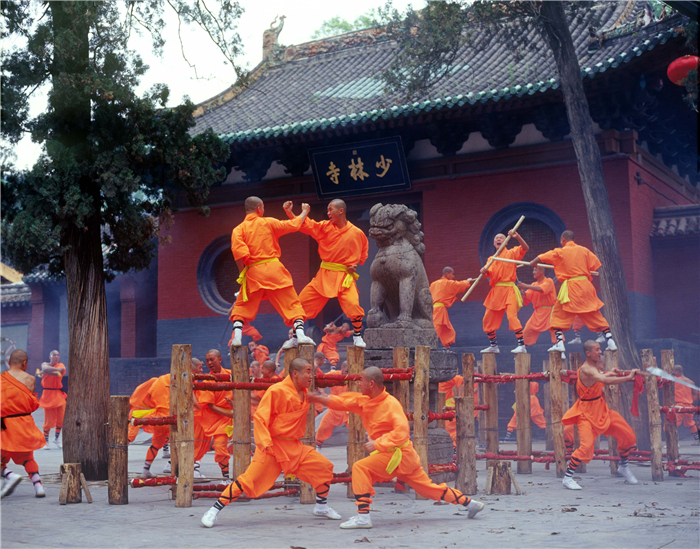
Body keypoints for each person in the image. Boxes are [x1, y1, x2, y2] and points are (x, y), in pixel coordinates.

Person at [308, 367, 485, 529]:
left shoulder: (390, 404)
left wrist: (377, 443)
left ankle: (363, 517)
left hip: (397, 454)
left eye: (361, 380)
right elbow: (343, 402)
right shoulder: (366, 400)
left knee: (360, 467)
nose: (358, 383)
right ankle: (470, 504)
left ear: (371, 383)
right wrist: (319, 398)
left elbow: (401, 432)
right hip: (399, 457)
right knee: (428, 489)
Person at [201, 358, 341, 528]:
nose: (312, 375)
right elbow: (260, 417)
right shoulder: (277, 390)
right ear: (295, 373)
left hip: (294, 447)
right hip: (272, 447)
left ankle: (321, 507)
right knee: (247, 480)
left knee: (324, 467)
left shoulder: (305, 393)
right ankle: (214, 510)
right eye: (308, 371)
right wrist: (265, 442)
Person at [229, 197, 315, 350]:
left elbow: (239, 254)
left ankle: (237, 337)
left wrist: (242, 274)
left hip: (253, 272)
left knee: (242, 305)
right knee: (292, 303)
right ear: (259, 208)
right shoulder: (268, 222)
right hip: (274, 270)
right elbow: (294, 225)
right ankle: (301, 335)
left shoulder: (238, 229)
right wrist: (304, 212)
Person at [285, 199, 369, 347]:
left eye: (331, 209)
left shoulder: (357, 233)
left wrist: (355, 265)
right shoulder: (324, 227)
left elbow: (363, 254)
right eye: (327, 210)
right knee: (301, 303)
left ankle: (357, 337)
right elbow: (305, 225)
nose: (328, 213)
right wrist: (290, 213)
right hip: (324, 275)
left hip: (344, 278)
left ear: (341, 211)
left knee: (353, 305)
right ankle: (295, 337)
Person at [561, 340, 639, 490]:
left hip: (602, 410)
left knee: (628, 434)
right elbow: (604, 380)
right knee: (586, 446)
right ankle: (567, 478)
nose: (600, 352)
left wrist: (610, 372)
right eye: (596, 350)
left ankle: (623, 467)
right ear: (588, 353)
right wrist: (628, 377)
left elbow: (599, 377)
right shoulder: (586, 368)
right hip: (586, 413)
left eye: (599, 349)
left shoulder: (593, 368)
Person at [529, 230, 617, 353]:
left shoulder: (560, 251)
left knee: (557, 316)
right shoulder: (584, 250)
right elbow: (595, 265)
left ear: (563, 239)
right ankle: (611, 341)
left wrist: (533, 262)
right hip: (586, 287)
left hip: (571, 288)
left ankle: (560, 344)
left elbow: (543, 256)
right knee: (595, 315)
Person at [1, 350, 47, 498]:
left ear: (9, 362)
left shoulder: (1, 379)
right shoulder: (31, 379)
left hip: (5, 425)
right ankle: (38, 487)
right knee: (28, 458)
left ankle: (10, 476)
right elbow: (32, 405)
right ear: (25, 363)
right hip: (24, 424)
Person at [481, 230, 529, 354]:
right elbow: (488, 273)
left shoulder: (511, 253)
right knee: (487, 319)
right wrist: (484, 271)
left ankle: (522, 345)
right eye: (496, 238)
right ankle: (493, 346)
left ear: (506, 241)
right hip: (496, 292)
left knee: (512, 317)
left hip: (509, 290)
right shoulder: (491, 259)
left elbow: (525, 248)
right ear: (494, 243)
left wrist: (517, 236)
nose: (498, 239)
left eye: (501, 238)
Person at [193, 349, 233, 478]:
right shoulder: (207, 381)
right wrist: (232, 415)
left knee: (221, 447)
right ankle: (184, 469)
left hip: (226, 419)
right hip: (211, 418)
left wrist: (235, 407)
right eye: (207, 361)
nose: (209, 363)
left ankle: (226, 478)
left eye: (212, 359)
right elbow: (210, 406)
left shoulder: (231, 375)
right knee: (197, 446)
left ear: (220, 360)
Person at [430, 268, 473, 349]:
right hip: (439, 309)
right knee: (436, 327)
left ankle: (446, 347)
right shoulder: (447, 283)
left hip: (435, 309)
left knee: (448, 329)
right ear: (447, 274)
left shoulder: (433, 284)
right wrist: (467, 281)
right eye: (452, 274)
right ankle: (429, 345)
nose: (453, 276)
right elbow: (459, 285)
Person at [517, 266, 557, 346]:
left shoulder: (549, 281)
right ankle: (522, 347)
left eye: (535, 270)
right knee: (528, 329)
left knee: (555, 329)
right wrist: (522, 291)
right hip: (538, 312)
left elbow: (541, 289)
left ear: (541, 271)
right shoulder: (534, 284)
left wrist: (525, 286)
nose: (533, 272)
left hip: (549, 311)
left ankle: (559, 347)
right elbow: (527, 296)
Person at [37, 350, 67, 450]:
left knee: (61, 419)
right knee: (48, 421)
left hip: (58, 395)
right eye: (54, 355)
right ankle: (46, 441)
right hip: (48, 395)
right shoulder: (44, 364)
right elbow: (46, 368)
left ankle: (56, 439)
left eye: (58, 355)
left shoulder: (61, 365)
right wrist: (50, 370)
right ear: (50, 357)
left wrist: (45, 372)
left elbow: (59, 372)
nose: (56, 357)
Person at [438, 374, 479, 447]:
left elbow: (459, 379)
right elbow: (459, 379)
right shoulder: (443, 379)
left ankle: (456, 446)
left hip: (447, 408)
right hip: (445, 408)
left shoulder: (443, 379)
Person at [315, 361, 349, 448]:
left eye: (350, 372)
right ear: (342, 368)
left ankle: (364, 442)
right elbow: (319, 380)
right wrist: (323, 394)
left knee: (356, 427)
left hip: (348, 409)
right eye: (346, 371)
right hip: (335, 407)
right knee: (323, 426)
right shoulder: (333, 375)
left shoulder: (354, 377)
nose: (348, 374)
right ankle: (318, 443)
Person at [671, 365, 700, 442]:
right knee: (690, 423)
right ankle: (698, 439)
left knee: (672, 423)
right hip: (690, 407)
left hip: (679, 406)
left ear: (676, 372)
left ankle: (673, 442)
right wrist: (690, 398)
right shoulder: (690, 382)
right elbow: (697, 395)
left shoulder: (675, 380)